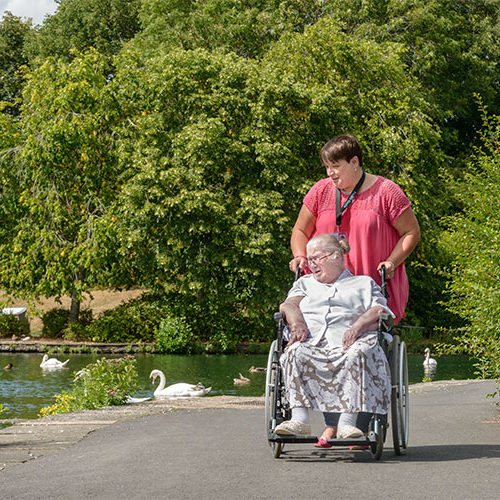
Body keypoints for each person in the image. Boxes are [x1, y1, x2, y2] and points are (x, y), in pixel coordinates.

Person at [289, 133, 420, 324]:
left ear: (354, 161)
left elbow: (411, 232)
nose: (329, 173)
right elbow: (300, 231)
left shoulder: (387, 192)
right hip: (323, 291)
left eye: (335, 166)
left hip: (368, 291)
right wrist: (300, 256)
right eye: (327, 167)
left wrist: (392, 261)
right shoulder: (320, 191)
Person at [274, 234, 392, 445]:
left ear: (336, 257)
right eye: (309, 260)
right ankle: (299, 419)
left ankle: (347, 423)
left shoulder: (363, 283)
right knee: (292, 351)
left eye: (316, 259)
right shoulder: (305, 283)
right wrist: (297, 323)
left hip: (352, 342)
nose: (311, 265)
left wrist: (357, 327)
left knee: (359, 352)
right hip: (312, 342)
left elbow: (379, 309)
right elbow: (288, 305)